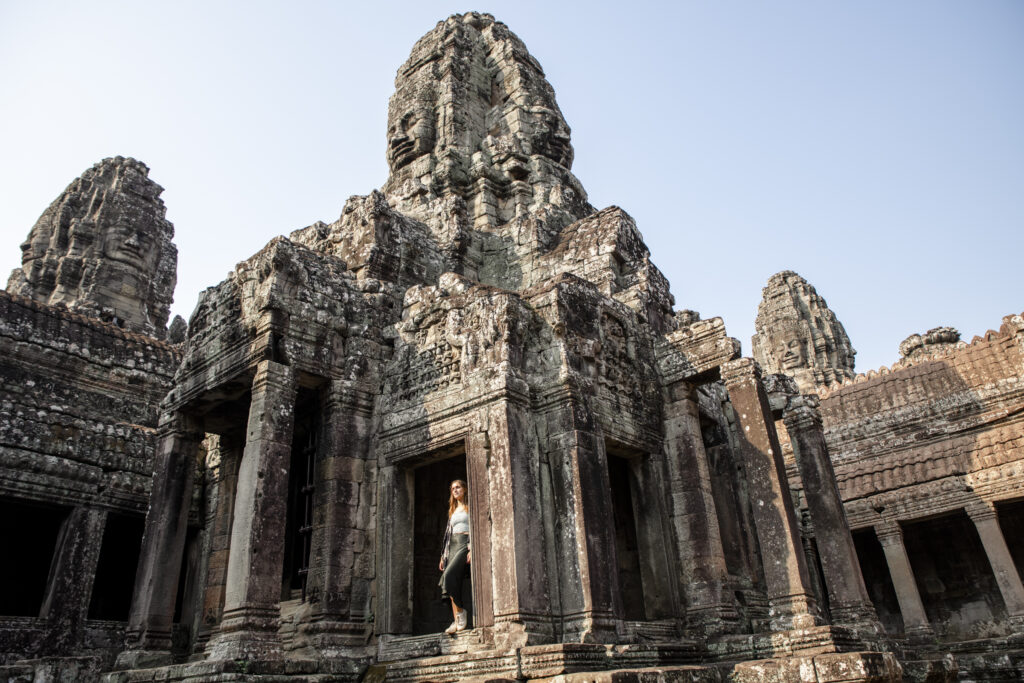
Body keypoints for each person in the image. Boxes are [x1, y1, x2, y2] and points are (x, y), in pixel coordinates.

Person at [438, 479, 471, 633]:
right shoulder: (453, 510)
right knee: (451, 583)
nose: (455, 490)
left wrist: (471, 548)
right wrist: (442, 556)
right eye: (452, 489)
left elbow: (474, 526)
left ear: (464, 489)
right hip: (452, 545)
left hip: (464, 542)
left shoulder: (470, 506)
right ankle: (457, 618)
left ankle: (461, 613)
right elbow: (448, 534)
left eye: (458, 487)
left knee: (448, 577)